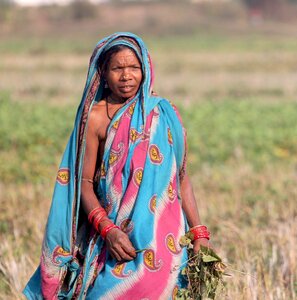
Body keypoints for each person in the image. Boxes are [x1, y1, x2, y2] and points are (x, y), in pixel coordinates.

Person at [23, 32, 210, 299]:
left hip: (164, 242)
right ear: (103, 72)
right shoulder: (96, 117)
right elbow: (84, 183)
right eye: (117, 68)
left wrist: (198, 232)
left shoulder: (164, 113)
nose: (126, 76)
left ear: (145, 69)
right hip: (115, 239)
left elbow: (180, 177)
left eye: (134, 68)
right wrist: (108, 230)